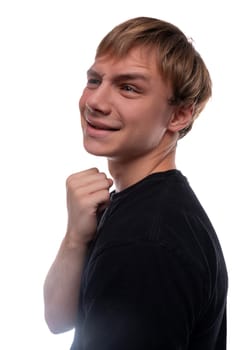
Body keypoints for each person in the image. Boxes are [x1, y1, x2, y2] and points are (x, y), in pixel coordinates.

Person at [43, 16, 228, 350]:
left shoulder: (146, 243)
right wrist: (75, 237)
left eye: (129, 87)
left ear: (178, 115)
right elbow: (59, 319)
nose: (95, 102)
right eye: (95, 80)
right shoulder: (132, 203)